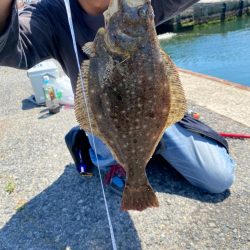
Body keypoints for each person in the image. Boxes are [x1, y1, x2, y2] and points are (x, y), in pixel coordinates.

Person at [0, 0, 235, 196]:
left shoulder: (136, 5)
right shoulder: (51, 13)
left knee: (218, 178)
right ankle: (87, 140)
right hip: (104, 119)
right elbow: (8, 48)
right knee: (108, 156)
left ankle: (149, 151)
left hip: (151, 113)